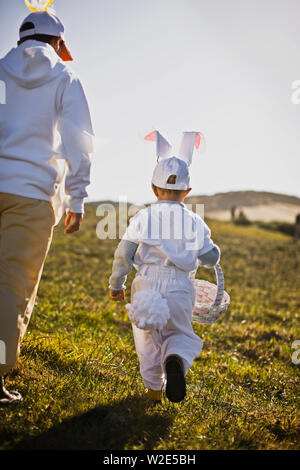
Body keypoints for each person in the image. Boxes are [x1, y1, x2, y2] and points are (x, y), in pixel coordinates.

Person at [0, 10, 94, 405]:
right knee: (11, 286)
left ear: (22, 40)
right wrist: (77, 197)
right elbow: (79, 141)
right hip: (33, 193)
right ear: (57, 43)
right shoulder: (64, 77)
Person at [109, 131, 220, 403]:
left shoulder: (143, 217)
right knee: (179, 333)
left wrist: (116, 284)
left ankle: (153, 391)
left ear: (153, 188)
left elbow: (124, 252)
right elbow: (209, 256)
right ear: (188, 191)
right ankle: (175, 358)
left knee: (147, 341)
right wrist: (212, 254)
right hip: (181, 288)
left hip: (146, 286)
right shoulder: (195, 221)